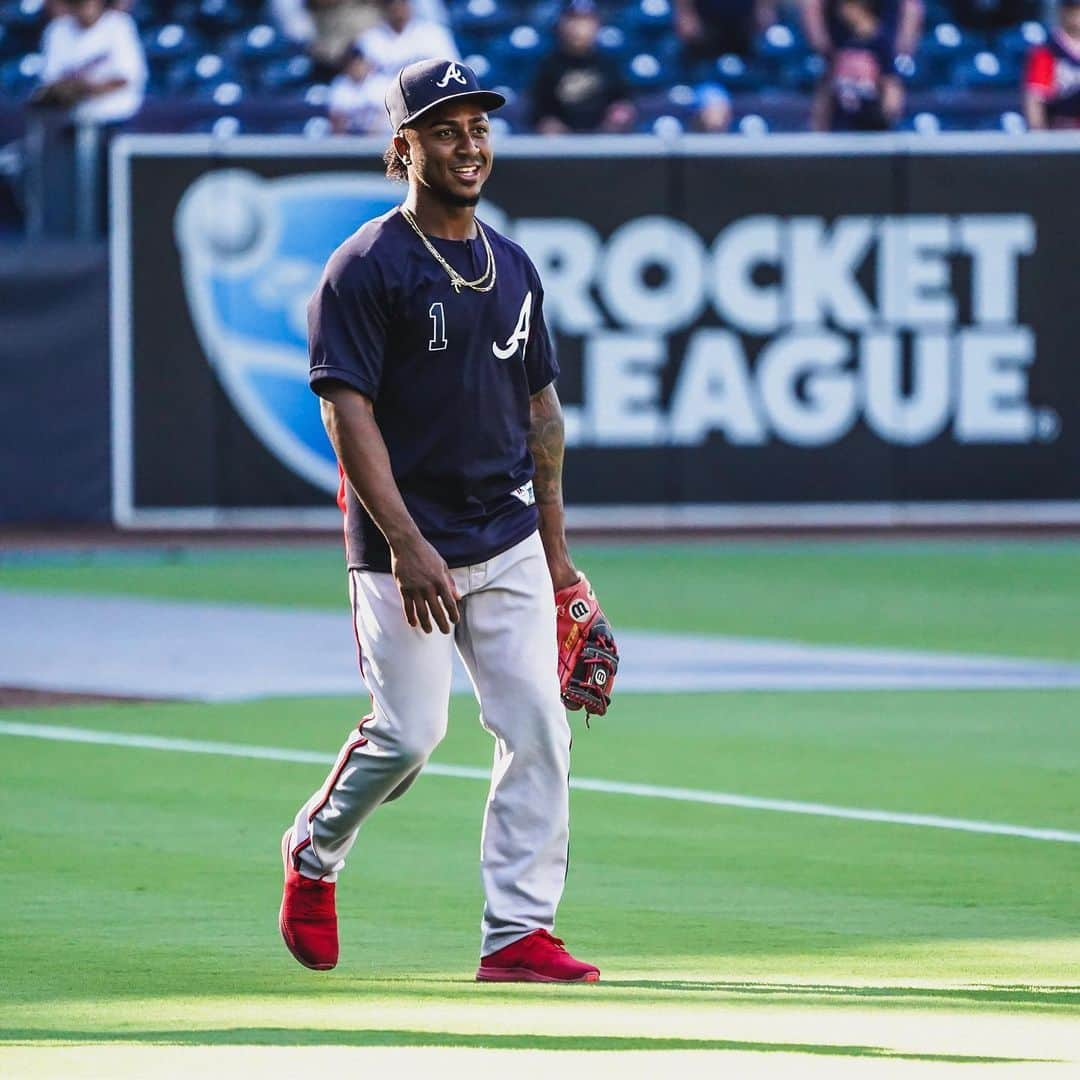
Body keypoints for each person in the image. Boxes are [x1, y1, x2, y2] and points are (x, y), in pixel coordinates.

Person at [278, 57, 600, 983]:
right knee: (409, 735)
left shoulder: (514, 265)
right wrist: (408, 543)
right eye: (446, 127)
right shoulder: (364, 268)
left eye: (479, 126)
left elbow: (542, 414)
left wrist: (560, 558)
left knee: (538, 725)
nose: (469, 143)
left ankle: (518, 934)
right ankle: (314, 850)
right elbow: (347, 414)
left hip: (505, 539)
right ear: (402, 146)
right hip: (399, 550)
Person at [802, 0, 922, 130]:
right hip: (840, 121)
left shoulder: (881, 45)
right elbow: (826, 90)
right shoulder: (836, 49)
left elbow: (891, 87)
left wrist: (886, 118)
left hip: (874, 123)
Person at [530, 0, 635, 134]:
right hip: (559, 146)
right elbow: (538, 112)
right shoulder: (548, 65)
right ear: (561, 25)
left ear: (597, 25)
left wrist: (620, 113)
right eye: (573, 21)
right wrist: (547, 123)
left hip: (604, 141)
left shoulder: (609, 64)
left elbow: (624, 102)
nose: (579, 29)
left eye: (586, 21)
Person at [34, 0, 146, 125]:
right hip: (71, 119)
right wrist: (86, 87)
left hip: (117, 117)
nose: (85, 8)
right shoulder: (58, 29)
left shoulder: (119, 24)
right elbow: (51, 82)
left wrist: (80, 87)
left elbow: (126, 78)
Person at [826, 0, 902, 130]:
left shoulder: (881, 41)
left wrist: (887, 118)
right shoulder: (842, 39)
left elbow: (891, 83)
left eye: (845, 7)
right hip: (843, 120)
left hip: (871, 120)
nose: (841, 12)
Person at [357, 0, 460, 89]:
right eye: (390, 2)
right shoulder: (369, 40)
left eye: (402, 2)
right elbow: (363, 85)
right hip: (388, 104)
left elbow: (454, 70)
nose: (397, 7)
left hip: (431, 96)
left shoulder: (434, 32)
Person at [1023, 0, 1080, 130]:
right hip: (1062, 130)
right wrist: (1041, 139)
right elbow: (1035, 101)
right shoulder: (1048, 51)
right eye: (1075, 10)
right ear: (1064, 12)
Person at [675, 0, 777, 63]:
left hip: (745, 19)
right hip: (706, 20)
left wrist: (764, 7)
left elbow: (765, 14)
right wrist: (686, 13)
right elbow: (686, 18)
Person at [328, 43, 387, 132]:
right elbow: (337, 121)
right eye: (352, 65)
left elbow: (383, 117)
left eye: (358, 64)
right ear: (346, 67)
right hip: (350, 139)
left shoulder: (380, 83)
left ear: (365, 63)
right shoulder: (340, 85)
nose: (356, 68)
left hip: (379, 137)